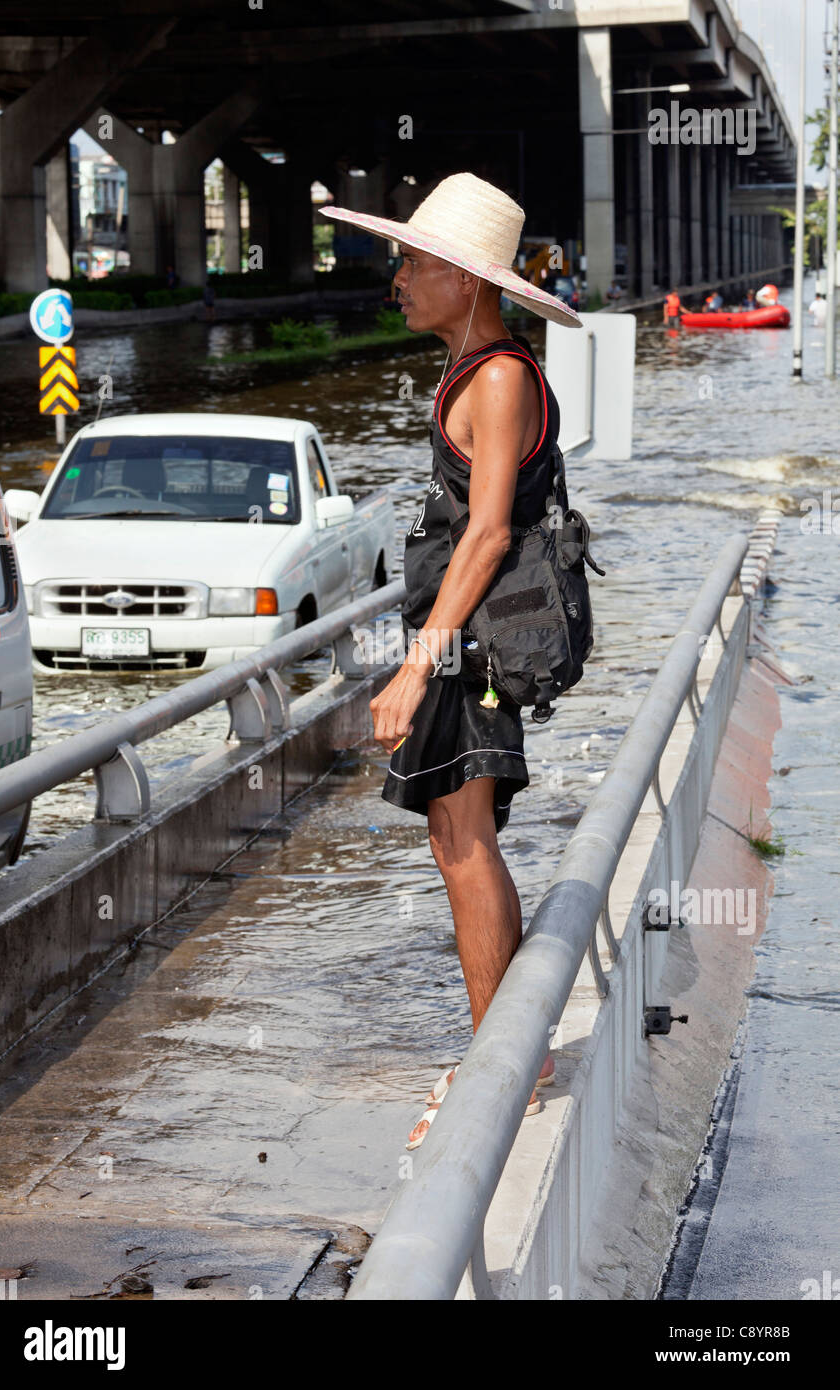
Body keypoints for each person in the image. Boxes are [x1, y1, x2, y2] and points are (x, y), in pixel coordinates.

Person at [321, 173, 581, 1150]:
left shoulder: (502, 377)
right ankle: (511, 1050)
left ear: (466, 281)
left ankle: (499, 1070)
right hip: (454, 635)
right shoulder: (468, 368)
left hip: (469, 645)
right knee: (451, 832)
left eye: (412, 263)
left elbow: (485, 535)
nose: (396, 278)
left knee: (463, 837)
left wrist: (412, 664)